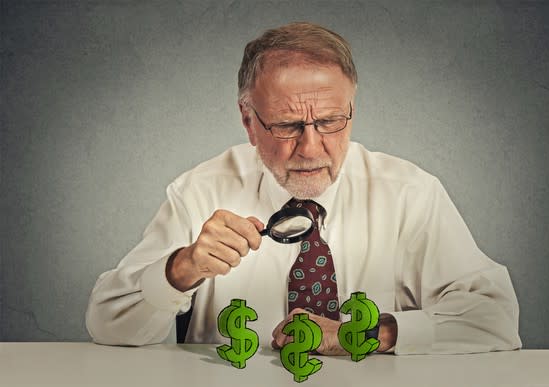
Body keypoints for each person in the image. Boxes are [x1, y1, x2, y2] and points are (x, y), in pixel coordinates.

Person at [86, 22, 522, 355]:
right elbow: (108, 325)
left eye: (331, 121)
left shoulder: (409, 193)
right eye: (288, 125)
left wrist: (367, 335)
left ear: (352, 108)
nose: (311, 147)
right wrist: (180, 269)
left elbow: (495, 318)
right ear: (248, 120)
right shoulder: (200, 190)